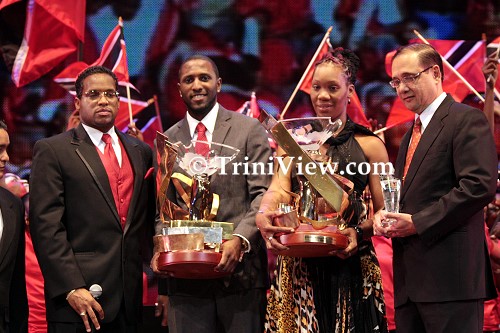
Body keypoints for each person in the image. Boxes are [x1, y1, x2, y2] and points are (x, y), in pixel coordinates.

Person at [256, 48, 390, 332]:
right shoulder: (291, 142)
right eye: (316, 87)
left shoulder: (371, 145)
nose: (323, 96)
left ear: (350, 91)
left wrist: (360, 231)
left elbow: (386, 211)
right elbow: (278, 190)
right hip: (298, 265)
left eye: (333, 88)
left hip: (352, 265)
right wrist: (264, 213)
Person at [373, 43, 498, 333]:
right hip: (410, 286)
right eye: (395, 81)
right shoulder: (410, 135)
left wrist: (417, 223)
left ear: (436, 74)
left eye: (410, 77)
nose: (401, 88)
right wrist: (385, 214)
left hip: (451, 284)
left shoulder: (466, 120)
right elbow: (411, 197)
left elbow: (479, 185)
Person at [150, 54, 272, 333]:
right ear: (178, 88)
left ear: (219, 84)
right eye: (188, 80)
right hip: (185, 279)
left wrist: (240, 240)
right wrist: (161, 248)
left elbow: (263, 194)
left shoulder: (249, 130)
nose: (197, 85)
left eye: (204, 78)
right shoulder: (167, 140)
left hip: (240, 275)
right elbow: (163, 209)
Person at [29, 65, 155, 333]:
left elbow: (147, 223)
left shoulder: (140, 151)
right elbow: (46, 226)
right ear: (78, 101)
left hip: (129, 299)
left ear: (119, 101)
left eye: (110, 94)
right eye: (94, 94)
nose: (103, 101)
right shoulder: (53, 150)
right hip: (77, 299)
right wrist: (71, 286)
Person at [0, 121, 28, 333]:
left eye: (7, 148)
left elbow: (17, 284)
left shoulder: (13, 205)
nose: (6, 157)